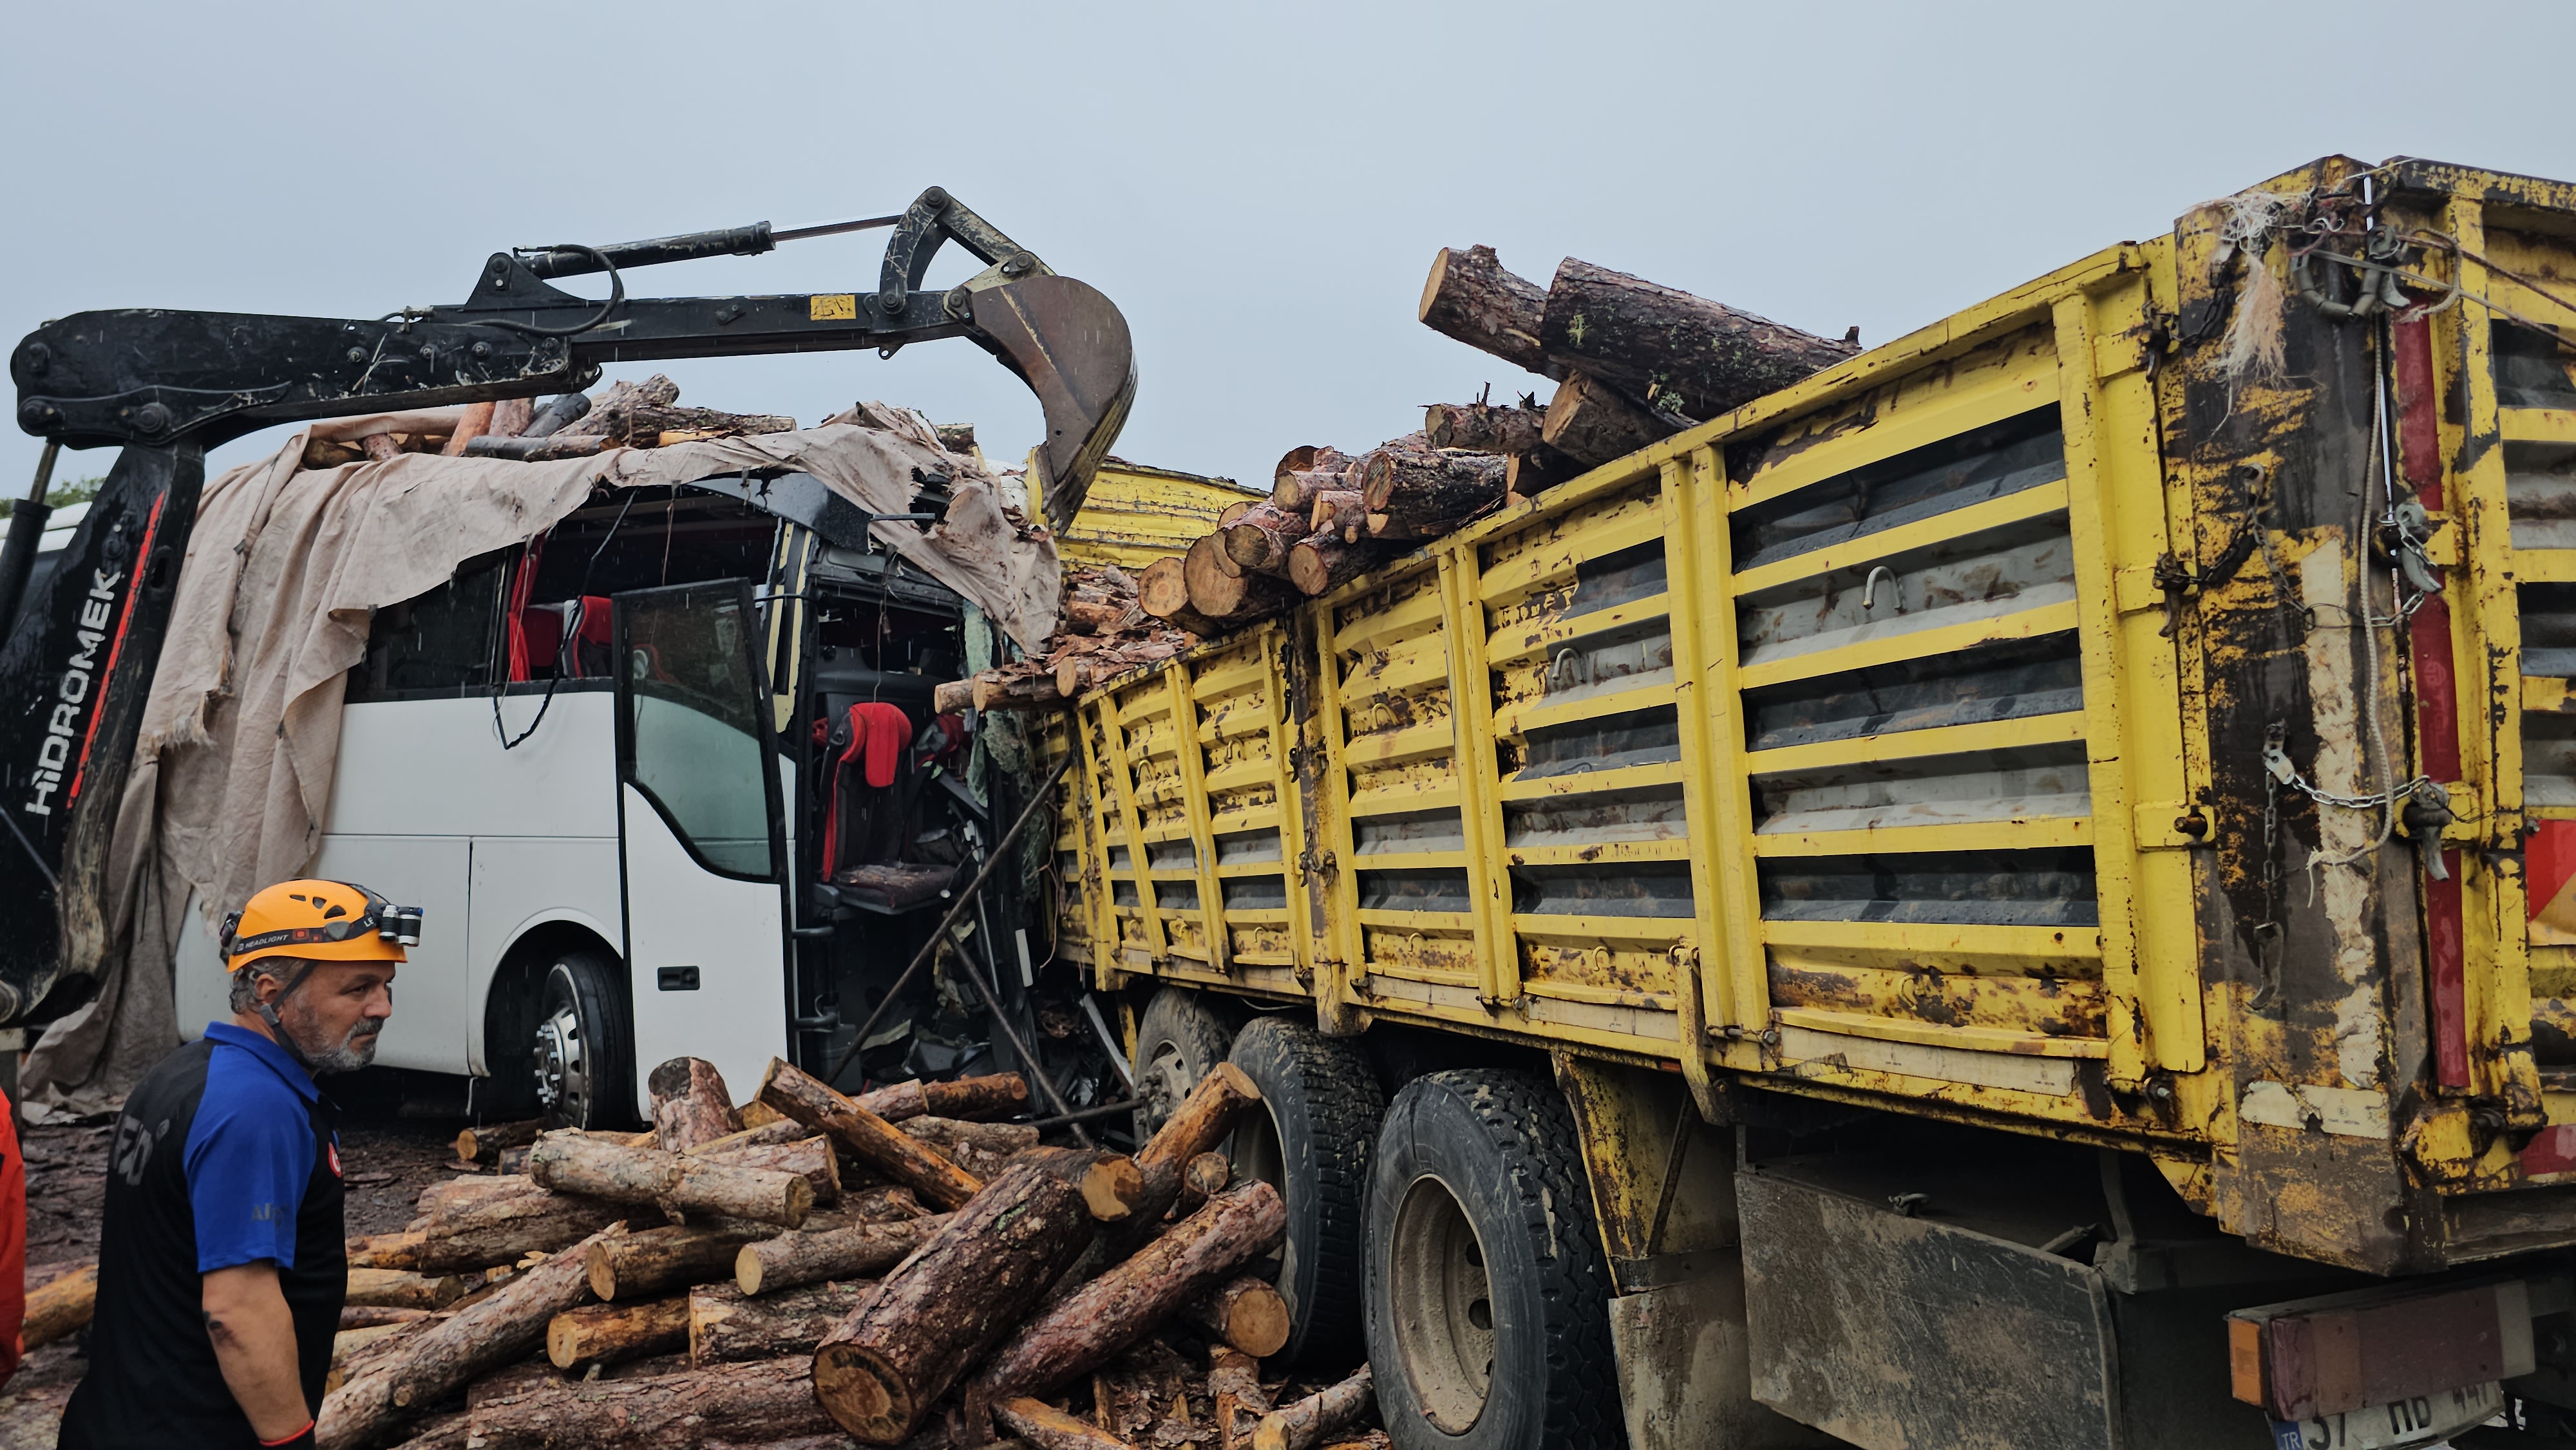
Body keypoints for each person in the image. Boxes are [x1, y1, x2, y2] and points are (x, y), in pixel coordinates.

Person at [60, 880, 414, 1450]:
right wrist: (291, 1442)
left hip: (117, 1419)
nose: (383, 1008)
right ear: (271, 992)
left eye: (386, 986)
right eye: (359, 988)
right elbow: (236, 1312)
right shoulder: (255, 1108)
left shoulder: (181, 1076)